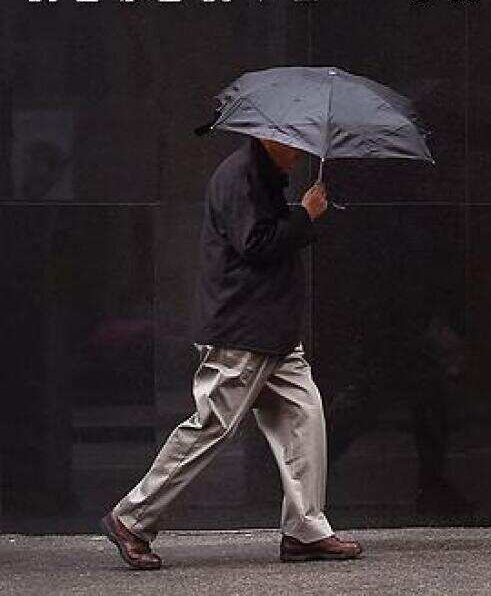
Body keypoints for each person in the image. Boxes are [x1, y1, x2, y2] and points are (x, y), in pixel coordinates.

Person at [100, 137, 362, 569]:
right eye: (292, 140)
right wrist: (305, 214)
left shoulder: (262, 175)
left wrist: (297, 213)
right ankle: (131, 518)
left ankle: (305, 532)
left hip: (271, 333)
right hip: (242, 330)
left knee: (305, 416)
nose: (299, 148)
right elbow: (255, 245)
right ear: (267, 136)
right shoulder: (240, 176)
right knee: (211, 426)